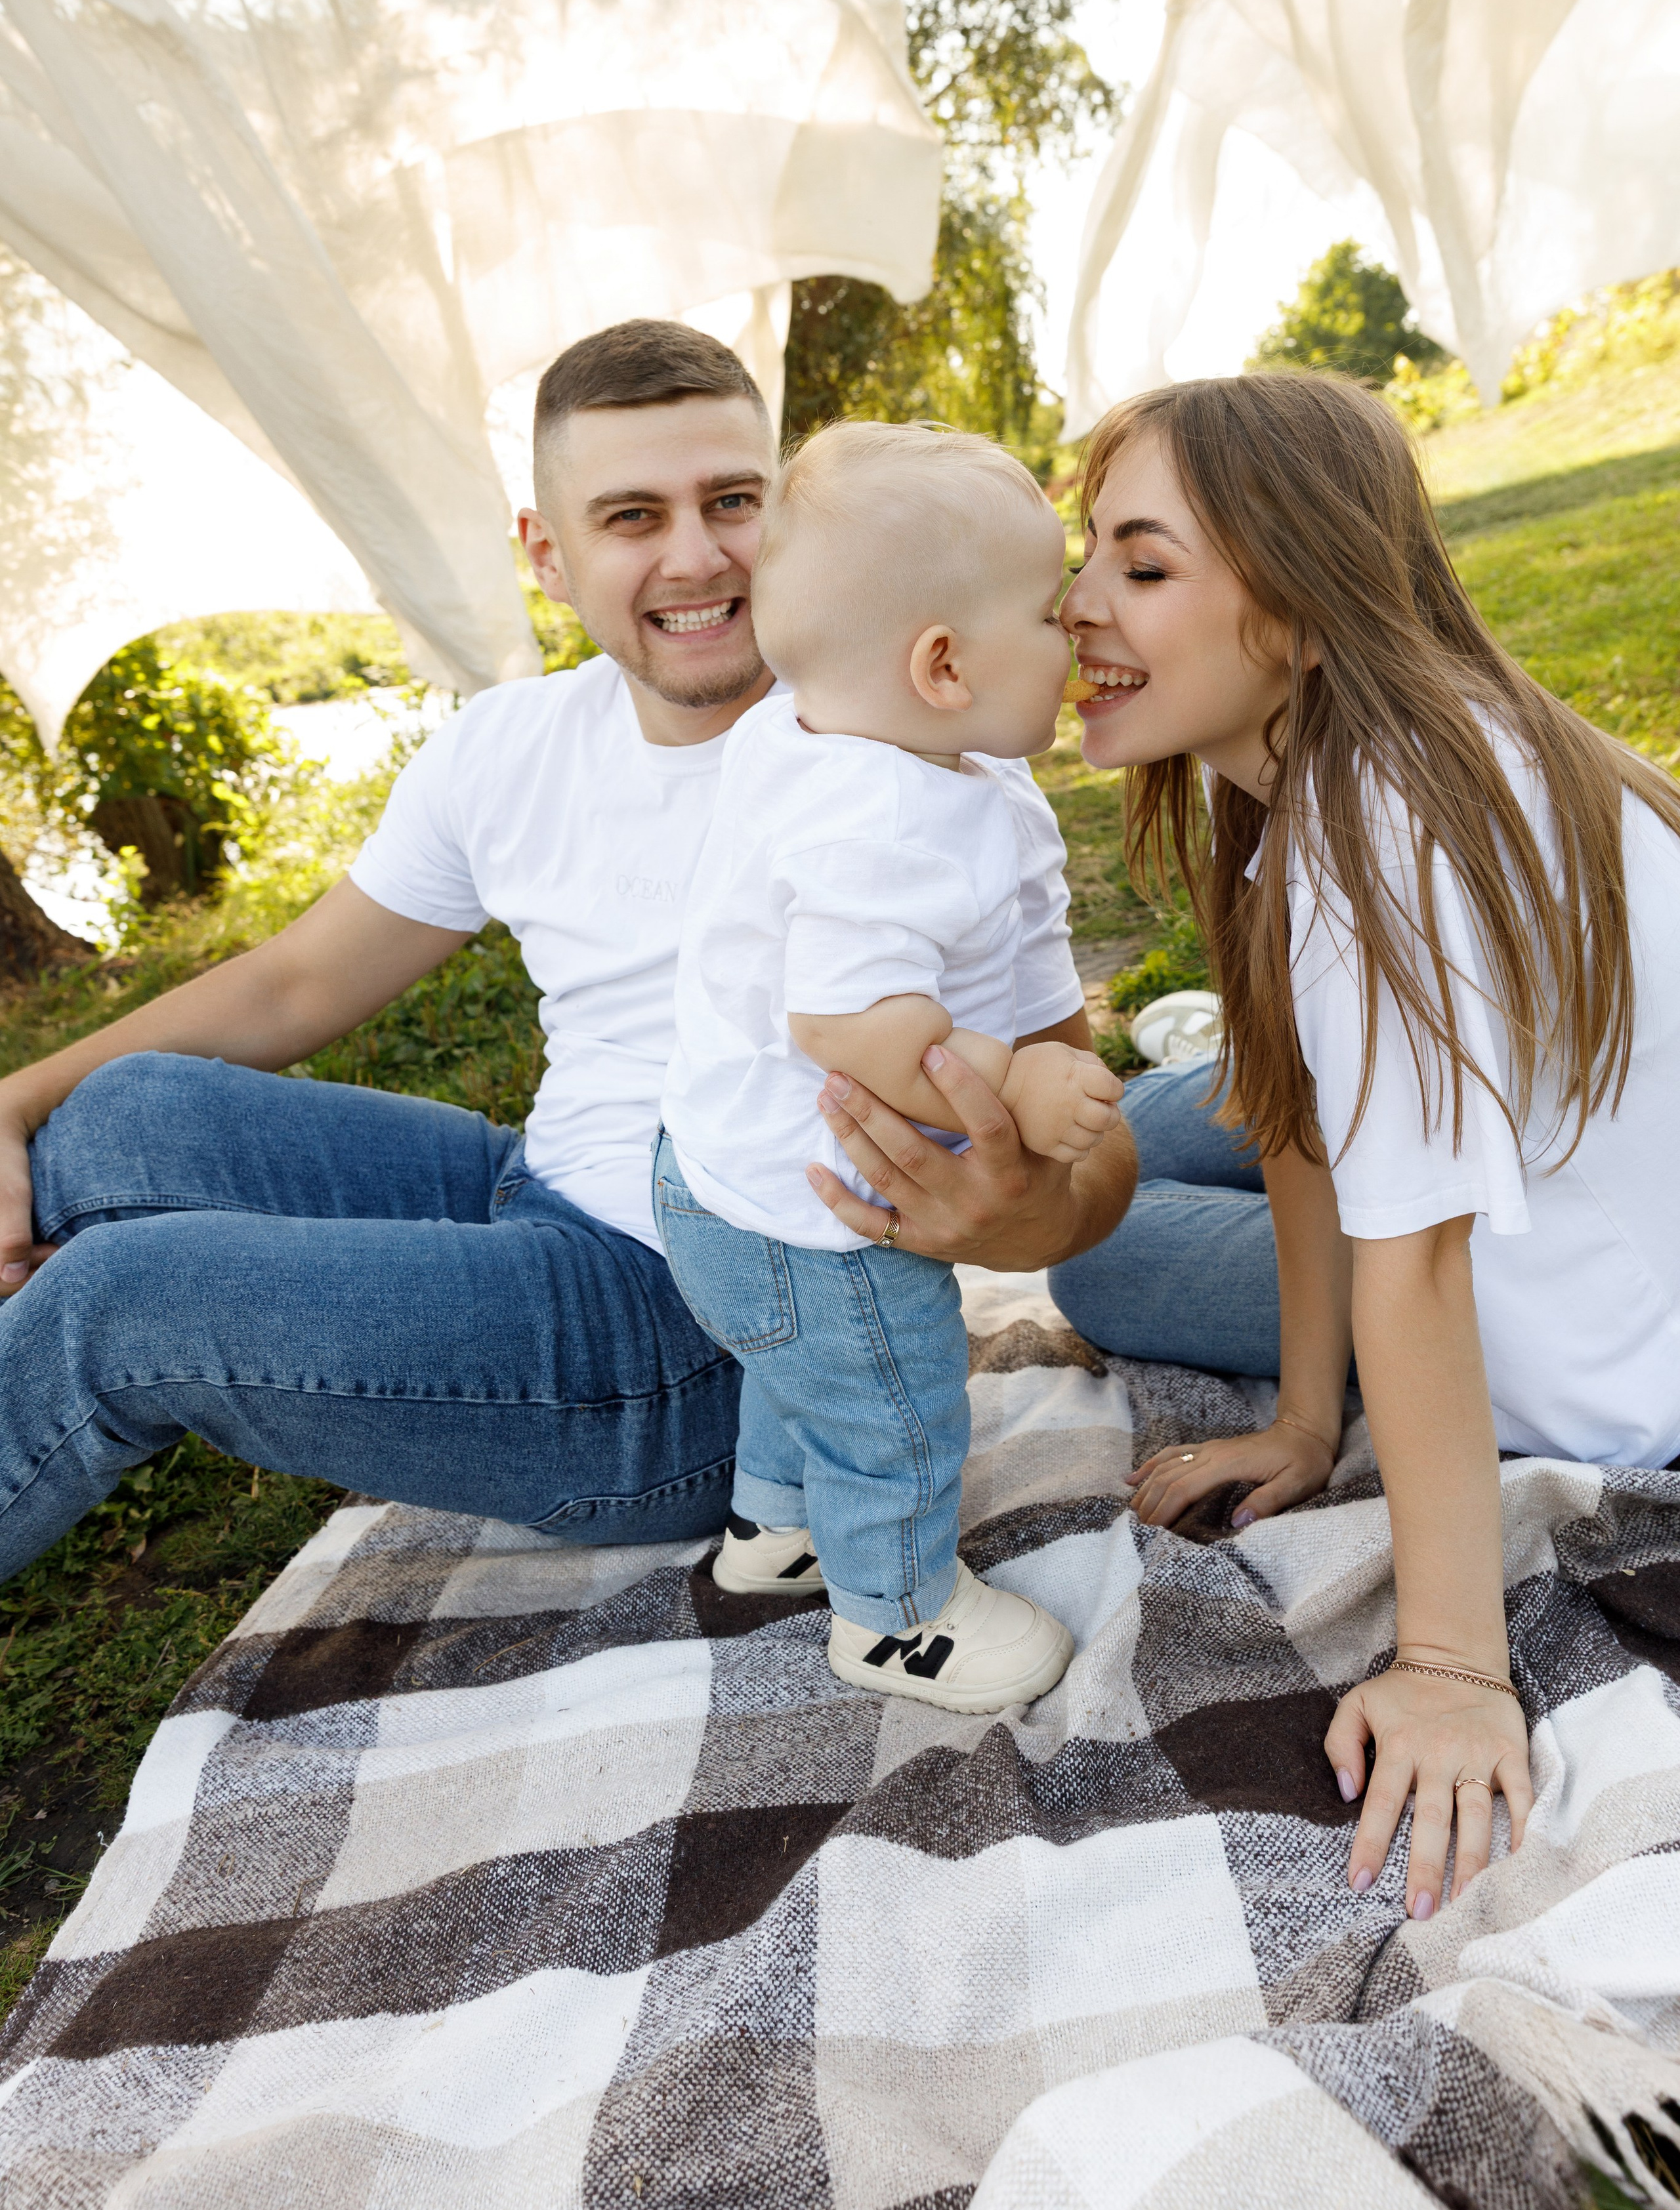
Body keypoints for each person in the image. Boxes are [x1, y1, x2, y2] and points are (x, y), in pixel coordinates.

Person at [0, 323, 1137, 1583]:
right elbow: (295, 981)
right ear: (548, 553)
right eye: (633, 516)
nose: (698, 555)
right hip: (540, 1193)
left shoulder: (922, 768)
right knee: (116, 1119)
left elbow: (1084, 1126)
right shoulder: (512, 749)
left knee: (127, 1299)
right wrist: (13, 1103)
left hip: (702, 1335)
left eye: (734, 501)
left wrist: (1028, 1209)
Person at [1053, 370, 1680, 1927]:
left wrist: (1455, 1666)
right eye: (1086, 553)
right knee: (1148, 1127)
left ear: (1307, 608)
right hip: (1584, 1218)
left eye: (1142, 567)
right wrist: (1304, 1413)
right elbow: (1293, 1115)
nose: (1073, 605)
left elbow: (1416, 1259)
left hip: (1597, 1369)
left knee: (1098, 1237)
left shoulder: (1375, 843)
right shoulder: (1358, 749)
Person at [657, 424, 1122, 1711]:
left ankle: (773, 1534)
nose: (1079, 622)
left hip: (730, 1180)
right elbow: (852, 1025)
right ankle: (894, 1614)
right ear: (942, 663)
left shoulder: (823, 741)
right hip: (818, 1221)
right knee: (890, 1392)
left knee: (797, 1372)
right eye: (1049, 611)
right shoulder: (878, 816)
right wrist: (1015, 1087)